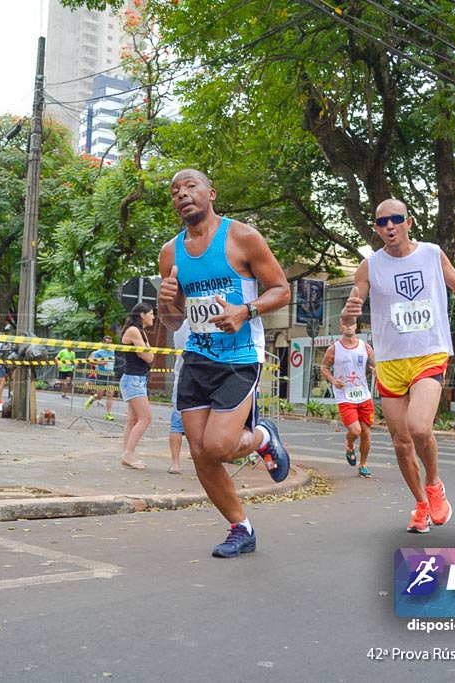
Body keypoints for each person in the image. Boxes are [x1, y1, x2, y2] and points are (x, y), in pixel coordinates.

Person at [157, 168, 292, 559]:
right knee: (200, 453)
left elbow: (282, 290)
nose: (182, 194)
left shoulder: (242, 237)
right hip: (198, 356)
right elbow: (173, 321)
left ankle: (262, 438)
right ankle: (241, 528)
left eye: (190, 186)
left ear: (211, 193)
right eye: (175, 191)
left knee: (218, 446)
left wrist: (245, 311)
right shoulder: (170, 253)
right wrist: (168, 301)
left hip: (240, 355)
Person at [341, 197, 455, 534]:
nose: (388, 227)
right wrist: (349, 312)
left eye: (395, 220)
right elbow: (350, 308)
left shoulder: (431, 254)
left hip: (429, 353)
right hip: (390, 361)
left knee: (418, 428)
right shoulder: (370, 265)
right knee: (401, 442)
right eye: (381, 222)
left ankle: (434, 484)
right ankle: (420, 504)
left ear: (408, 222)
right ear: (376, 228)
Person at [320, 320, 376, 478]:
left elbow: (374, 364)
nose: (348, 327)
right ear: (340, 327)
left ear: (356, 326)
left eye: (351, 324)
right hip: (344, 396)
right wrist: (332, 380)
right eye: (345, 324)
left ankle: (363, 465)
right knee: (355, 430)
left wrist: (376, 371)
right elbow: (324, 367)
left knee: (366, 432)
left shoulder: (365, 347)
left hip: (363, 394)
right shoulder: (334, 349)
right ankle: (349, 444)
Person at [119, 303, 155, 470]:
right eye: (151, 313)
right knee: (145, 418)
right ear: (142, 315)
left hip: (137, 378)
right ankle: (128, 453)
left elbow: (149, 355)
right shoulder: (134, 330)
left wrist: (149, 353)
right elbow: (146, 356)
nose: (153, 317)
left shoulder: (140, 331)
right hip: (133, 379)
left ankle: (127, 453)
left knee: (133, 420)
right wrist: (149, 353)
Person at [168, 321, 191, 475]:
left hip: (182, 377)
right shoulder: (205, 324)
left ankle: (175, 463)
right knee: (198, 421)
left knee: (178, 421)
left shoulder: (180, 327)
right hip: (194, 378)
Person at [84, 336, 116, 421]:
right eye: (107, 343)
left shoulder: (113, 351)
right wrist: (100, 362)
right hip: (101, 375)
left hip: (111, 375)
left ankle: (108, 414)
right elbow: (90, 360)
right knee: (100, 396)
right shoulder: (99, 352)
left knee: (110, 393)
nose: (109, 344)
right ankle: (93, 398)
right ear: (104, 343)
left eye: (110, 342)